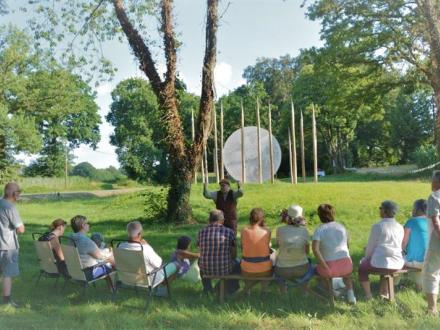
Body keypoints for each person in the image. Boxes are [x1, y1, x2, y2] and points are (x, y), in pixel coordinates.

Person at [358, 200, 404, 300]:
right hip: (397, 262)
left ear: (385, 211)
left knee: (362, 268)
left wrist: (365, 259)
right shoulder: (400, 227)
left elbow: (370, 248)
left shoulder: (377, 226)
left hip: (380, 263)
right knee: (384, 267)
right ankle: (384, 292)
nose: (379, 210)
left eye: (380, 208)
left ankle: (368, 295)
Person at [312, 204, 356, 304]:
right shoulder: (341, 227)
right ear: (333, 214)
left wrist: (324, 265)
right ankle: (351, 295)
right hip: (347, 265)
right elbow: (347, 246)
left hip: (329, 268)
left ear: (319, 216)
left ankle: (332, 293)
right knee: (347, 275)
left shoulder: (319, 229)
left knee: (318, 271)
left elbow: (315, 249)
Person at [118, 221, 177, 294]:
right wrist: (148, 245)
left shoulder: (120, 246)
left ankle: (161, 289)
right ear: (139, 234)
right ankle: (161, 290)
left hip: (126, 278)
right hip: (147, 280)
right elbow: (158, 263)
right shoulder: (145, 248)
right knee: (175, 265)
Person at [198, 209, 239, 295]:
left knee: (200, 261)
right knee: (238, 264)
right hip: (224, 269)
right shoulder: (230, 232)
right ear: (222, 220)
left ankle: (207, 289)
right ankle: (229, 288)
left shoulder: (201, 232)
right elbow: (234, 254)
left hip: (206, 269)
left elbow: (200, 249)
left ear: (209, 220)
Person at [275, 205, 310, 293]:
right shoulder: (305, 231)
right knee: (308, 262)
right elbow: (307, 252)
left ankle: (283, 291)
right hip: (301, 269)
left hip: (282, 269)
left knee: (276, 260)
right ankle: (304, 291)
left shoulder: (280, 230)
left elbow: (279, 245)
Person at [0, 183, 25, 307]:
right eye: (18, 192)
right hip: (7, 245)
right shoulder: (10, 207)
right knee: (7, 274)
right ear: (13, 193)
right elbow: (20, 229)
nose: (19, 194)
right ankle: (7, 301)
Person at [69, 215, 114, 281]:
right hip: (87, 273)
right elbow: (100, 257)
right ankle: (114, 289)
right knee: (112, 261)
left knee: (110, 257)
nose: (89, 225)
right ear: (83, 225)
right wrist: (111, 255)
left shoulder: (71, 238)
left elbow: (92, 252)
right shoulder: (85, 241)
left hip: (74, 271)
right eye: (87, 223)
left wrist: (106, 251)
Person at [240, 208, 272, 294]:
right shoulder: (267, 231)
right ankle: (264, 290)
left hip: (247, 269)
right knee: (269, 262)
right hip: (264, 270)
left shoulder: (243, 230)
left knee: (245, 262)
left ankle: (247, 291)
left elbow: (242, 247)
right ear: (262, 218)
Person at [402, 199, 429, 290]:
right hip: (432, 262)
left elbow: (403, 243)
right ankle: (419, 287)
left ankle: (391, 285)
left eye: (413, 208)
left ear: (418, 209)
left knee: (396, 258)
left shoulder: (411, 222)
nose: (412, 210)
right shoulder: (433, 222)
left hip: (415, 262)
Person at [423, 170, 440, 315]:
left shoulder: (434, 196)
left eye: (432, 181)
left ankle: (432, 308)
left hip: (437, 241)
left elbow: (435, 221)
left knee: (431, 273)